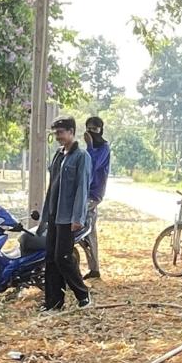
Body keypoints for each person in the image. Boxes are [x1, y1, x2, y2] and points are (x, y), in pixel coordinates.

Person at [40, 116, 91, 311]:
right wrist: (45, 215)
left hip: (69, 216)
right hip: (54, 214)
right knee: (51, 259)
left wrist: (78, 218)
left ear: (71, 132)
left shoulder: (82, 156)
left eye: (61, 133)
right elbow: (52, 186)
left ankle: (83, 293)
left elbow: (82, 188)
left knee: (63, 257)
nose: (58, 137)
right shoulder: (59, 155)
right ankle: (53, 302)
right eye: (56, 134)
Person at [83, 116, 111, 280]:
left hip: (93, 194)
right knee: (90, 231)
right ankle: (94, 269)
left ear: (100, 130)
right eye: (89, 128)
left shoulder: (103, 148)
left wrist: (90, 145)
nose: (92, 132)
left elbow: (91, 167)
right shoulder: (89, 148)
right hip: (84, 193)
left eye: (95, 129)